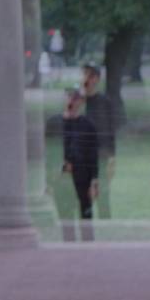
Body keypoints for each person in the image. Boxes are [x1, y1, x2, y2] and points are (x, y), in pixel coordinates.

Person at [59, 88, 101, 242]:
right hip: (62, 177)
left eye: (76, 98)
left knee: (86, 211)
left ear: (82, 102)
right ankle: (68, 245)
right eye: (69, 97)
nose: (72, 101)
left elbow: (93, 155)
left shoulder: (88, 125)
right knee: (65, 212)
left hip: (83, 175)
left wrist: (94, 180)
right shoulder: (57, 123)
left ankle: (88, 246)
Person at [80, 63, 118, 220]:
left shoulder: (105, 102)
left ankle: (105, 224)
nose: (87, 79)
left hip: (101, 154)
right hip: (81, 156)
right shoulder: (78, 101)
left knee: (103, 193)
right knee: (82, 194)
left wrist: (112, 157)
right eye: (84, 74)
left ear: (97, 79)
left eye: (90, 76)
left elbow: (110, 132)